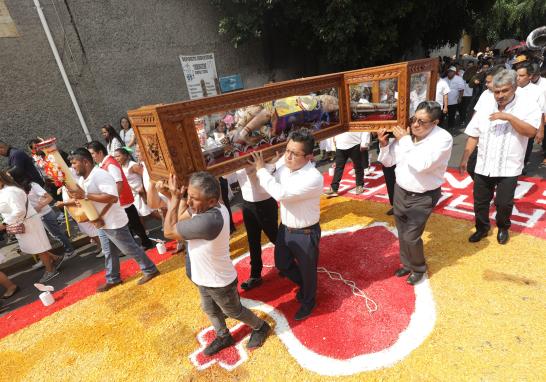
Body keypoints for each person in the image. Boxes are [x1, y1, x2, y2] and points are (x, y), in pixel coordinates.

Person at [163, 171, 270, 356]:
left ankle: (260, 327)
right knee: (210, 309)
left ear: (212, 201)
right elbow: (181, 217)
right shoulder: (207, 207)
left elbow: (168, 231)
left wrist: (173, 198)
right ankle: (223, 336)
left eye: (193, 198)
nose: (189, 202)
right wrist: (181, 197)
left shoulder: (209, 221)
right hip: (203, 277)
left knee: (235, 311)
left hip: (219, 281)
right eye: (189, 196)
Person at [459, 69, 541, 245]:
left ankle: (503, 227)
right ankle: (482, 228)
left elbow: (531, 132)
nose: (500, 95)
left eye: (505, 90)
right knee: (480, 202)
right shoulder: (485, 105)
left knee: (504, 203)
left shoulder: (528, 105)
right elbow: (474, 134)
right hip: (483, 164)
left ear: (514, 87)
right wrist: (465, 158)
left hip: (509, 166)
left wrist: (509, 118)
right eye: (497, 91)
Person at [250, 128, 323, 320]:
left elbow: (281, 194)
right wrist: (272, 165)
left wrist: (261, 170)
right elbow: (273, 176)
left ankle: (309, 299)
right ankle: (308, 286)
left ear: (308, 157)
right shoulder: (286, 166)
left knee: (308, 271)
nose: (288, 156)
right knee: (282, 264)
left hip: (306, 232)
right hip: (285, 229)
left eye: (294, 153)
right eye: (287, 150)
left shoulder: (313, 177)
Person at [378, 101, 453, 285]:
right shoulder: (407, 135)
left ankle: (418, 267)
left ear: (435, 123)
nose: (415, 125)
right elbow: (388, 162)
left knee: (411, 236)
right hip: (400, 190)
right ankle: (406, 263)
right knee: (402, 232)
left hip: (423, 195)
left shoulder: (443, 139)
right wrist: (384, 145)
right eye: (414, 119)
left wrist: (404, 140)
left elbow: (421, 165)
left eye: (422, 122)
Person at [68, 148, 160, 292]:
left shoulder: (100, 175)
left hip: (112, 220)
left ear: (85, 162)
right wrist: (81, 200)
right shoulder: (83, 178)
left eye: (75, 163)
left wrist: (86, 196)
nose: (73, 167)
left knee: (129, 248)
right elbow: (87, 198)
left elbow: (112, 197)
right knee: (108, 251)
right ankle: (113, 278)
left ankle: (150, 269)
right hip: (101, 221)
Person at [85, 141, 155, 249]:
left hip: (121, 199)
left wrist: (113, 199)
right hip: (118, 200)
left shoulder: (110, 163)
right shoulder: (103, 164)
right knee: (130, 224)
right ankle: (135, 246)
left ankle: (145, 243)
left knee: (133, 223)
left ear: (99, 152)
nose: (91, 157)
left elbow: (119, 182)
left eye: (92, 154)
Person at [0, 170, 63, 283]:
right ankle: (54, 258)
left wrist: (4, 224)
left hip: (27, 222)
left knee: (38, 247)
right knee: (34, 247)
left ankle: (50, 270)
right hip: (22, 222)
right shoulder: (5, 191)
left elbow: (19, 210)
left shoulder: (10, 191)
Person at [235, 165, 278, 290]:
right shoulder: (236, 152)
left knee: (274, 236)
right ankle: (255, 275)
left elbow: (262, 189)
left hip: (265, 203)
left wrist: (252, 171)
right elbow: (225, 175)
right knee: (253, 241)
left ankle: (289, 262)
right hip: (247, 204)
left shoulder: (262, 152)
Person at [25, 180, 75, 258]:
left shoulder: (33, 185)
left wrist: (39, 207)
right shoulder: (18, 189)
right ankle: (48, 258)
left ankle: (70, 251)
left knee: (56, 234)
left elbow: (49, 198)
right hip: (37, 217)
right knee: (51, 236)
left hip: (45, 214)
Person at [114, 148, 161, 221]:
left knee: (151, 213)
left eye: (118, 156)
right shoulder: (121, 166)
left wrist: (142, 189)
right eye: (115, 157)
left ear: (126, 156)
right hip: (134, 195)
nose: (116, 158)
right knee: (140, 215)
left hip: (141, 193)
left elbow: (145, 175)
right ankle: (144, 231)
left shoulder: (133, 165)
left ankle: (169, 225)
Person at [515, 62, 546, 171]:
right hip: (513, 124)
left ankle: (521, 166)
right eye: (517, 75)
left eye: (522, 76)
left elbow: (541, 111)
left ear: (530, 76)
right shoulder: (511, 88)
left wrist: (541, 130)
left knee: (526, 147)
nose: (518, 78)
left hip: (529, 125)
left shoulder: (537, 91)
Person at [324, 132, 368, 197]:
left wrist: (364, 142)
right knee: (338, 167)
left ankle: (359, 185)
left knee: (358, 166)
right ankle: (334, 188)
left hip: (355, 143)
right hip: (340, 145)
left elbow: (364, 128)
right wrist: (335, 140)